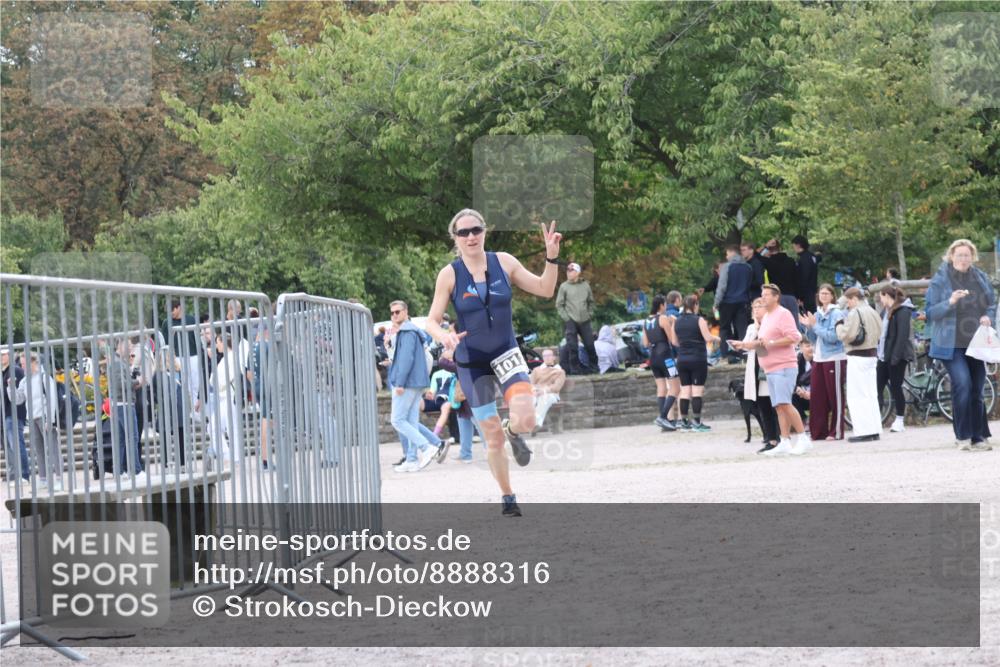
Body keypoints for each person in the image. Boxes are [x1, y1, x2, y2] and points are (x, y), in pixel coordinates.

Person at [425, 210, 562, 517]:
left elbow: (545, 288)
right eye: (463, 232)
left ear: (485, 231)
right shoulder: (449, 274)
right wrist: (444, 336)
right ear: (455, 238)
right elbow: (431, 321)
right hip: (472, 362)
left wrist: (551, 257)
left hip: (505, 352)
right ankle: (508, 495)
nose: (471, 236)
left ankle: (514, 431)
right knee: (492, 437)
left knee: (527, 420)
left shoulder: (504, 262)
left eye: (476, 230)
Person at [925, 239, 996, 451]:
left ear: (972, 257)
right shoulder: (940, 280)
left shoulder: (980, 277)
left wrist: (988, 317)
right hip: (951, 344)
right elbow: (930, 312)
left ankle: (978, 437)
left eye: (967, 255)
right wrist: (950, 302)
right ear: (951, 257)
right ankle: (963, 436)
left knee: (977, 389)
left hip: (977, 343)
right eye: (959, 255)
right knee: (963, 384)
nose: (963, 259)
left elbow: (991, 304)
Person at [730, 284, 807, 455]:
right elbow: (761, 343)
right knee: (779, 406)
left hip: (783, 366)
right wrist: (743, 344)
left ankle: (803, 438)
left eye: (766, 295)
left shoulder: (783, 314)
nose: (763, 297)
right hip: (770, 368)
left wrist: (772, 343)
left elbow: (794, 337)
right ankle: (784, 441)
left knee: (785, 404)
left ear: (776, 297)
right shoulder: (767, 317)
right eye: (762, 294)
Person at [387, 301, 442, 472]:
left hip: (408, 382)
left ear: (406, 312)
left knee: (397, 420)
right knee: (410, 421)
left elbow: (406, 360)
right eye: (392, 313)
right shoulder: (410, 331)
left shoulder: (407, 332)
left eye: (398, 312)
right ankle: (411, 459)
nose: (394, 315)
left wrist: (400, 383)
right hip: (415, 382)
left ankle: (426, 447)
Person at [835, 287, 884, 443]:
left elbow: (846, 334)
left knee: (857, 395)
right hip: (872, 354)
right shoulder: (872, 311)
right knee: (870, 394)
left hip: (857, 356)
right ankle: (874, 429)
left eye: (848, 301)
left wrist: (838, 325)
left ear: (854, 299)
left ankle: (863, 431)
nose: (847, 305)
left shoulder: (855, 312)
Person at [800, 284, 848, 441]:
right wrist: (808, 327)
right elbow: (814, 339)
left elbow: (833, 337)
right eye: (821, 293)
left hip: (834, 357)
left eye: (827, 293)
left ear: (833, 296)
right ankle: (818, 432)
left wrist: (815, 325)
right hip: (819, 357)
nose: (824, 296)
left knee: (835, 396)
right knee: (818, 396)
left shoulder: (837, 313)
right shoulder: (817, 313)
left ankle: (836, 431)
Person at [7, 352, 63, 488]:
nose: (22, 366)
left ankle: (59, 480)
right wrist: (11, 387)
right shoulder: (24, 381)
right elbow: (17, 400)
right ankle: (43, 479)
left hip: (44, 417)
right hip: (32, 418)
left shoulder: (44, 377)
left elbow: (51, 399)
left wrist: (50, 419)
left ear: (33, 362)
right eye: (21, 364)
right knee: (39, 450)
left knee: (53, 449)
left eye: (24, 363)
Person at [667, 294, 720, 432]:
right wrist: (717, 338)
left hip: (682, 359)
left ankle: (684, 422)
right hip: (697, 358)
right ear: (695, 305)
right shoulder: (699, 320)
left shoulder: (677, 321)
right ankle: (696, 422)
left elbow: (674, 342)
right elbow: (707, 337)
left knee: (685, 391)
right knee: (697, 391)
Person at [741, 298, 781, 452]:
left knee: (774, 404)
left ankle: (779, 436)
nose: (756, 310)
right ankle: (770, 438)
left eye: (759, 306)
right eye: (754, 307)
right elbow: (746, 345)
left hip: (768, 367)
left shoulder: (771, 325)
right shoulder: (751, 327)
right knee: (762, 404)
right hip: (755, 368)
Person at [876, 286, 915, 434]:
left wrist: (895, 357)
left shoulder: (903, 310)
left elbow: (902, 336)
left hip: (897, 356)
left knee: (896, 387)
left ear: (886, 295)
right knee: (877, 387)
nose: (880, 300)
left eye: (881, 296)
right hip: (883, 355)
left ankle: (899, 420)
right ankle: (876, 420)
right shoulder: (885, 311)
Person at [643, 294, 680, 431]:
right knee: (675, 387)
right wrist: (673, 323)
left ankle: (664, 421)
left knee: (661, 388)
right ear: (661, 305)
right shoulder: (663, 318)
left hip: (653, 357)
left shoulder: (646, 321)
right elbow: (672, 339)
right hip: (665, 356)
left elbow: (645, 343)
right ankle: (663, 417)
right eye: (665, 304)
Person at [556, 262, 597, 375]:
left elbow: (591, 302)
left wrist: (589, 314)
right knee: (572, 346)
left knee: (590, 345)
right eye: (568, 270)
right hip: (571, 321)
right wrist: (567, 318)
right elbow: (559, 305)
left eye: (571, 270)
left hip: (585, 320)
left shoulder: (585, 285)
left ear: (578, 272)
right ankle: (575, 370)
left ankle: (594, 368)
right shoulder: (564, 286)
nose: (568, 272)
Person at [714, 245, 753, 362]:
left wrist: (716, 303)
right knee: (742, 329)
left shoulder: (727, 267)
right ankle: (745, 355)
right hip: (743, 302)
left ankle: (725, 355)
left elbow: (722, 286)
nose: (726, 256)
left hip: (727, 302)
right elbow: (749, 285)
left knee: (724, 329)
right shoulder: (748, 267)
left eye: (727, 254)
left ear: (732, 253)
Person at [162, 299, 201, 412]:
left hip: (193, 356)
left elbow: (197, 338)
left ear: (179, 307)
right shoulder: (166, 323)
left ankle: (196, 412)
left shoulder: (191, 319)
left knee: (195, 384)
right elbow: (165, 343)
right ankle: (183, 412)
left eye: (172, 310)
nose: (170, 313)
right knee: (181, 386)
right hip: (177, 357)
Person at [1, 350, 30, 482]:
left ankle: (24, 474)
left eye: (3, 354)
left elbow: (19, 394)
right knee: (9, 446)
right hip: (4, 414)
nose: (1, 357)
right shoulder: (3, 372)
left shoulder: (15, 370)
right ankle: (14, 474)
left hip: (14, 413)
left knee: (17, 445)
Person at [530, 348, 566, 432]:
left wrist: (543, 391)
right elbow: (531, 383)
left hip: (551, 394)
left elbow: (557, 387)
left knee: (544, 398)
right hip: (536, 393)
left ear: (554, 357)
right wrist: (535, 390)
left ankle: (535, 423)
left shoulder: (560, 371)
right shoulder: (536, 370)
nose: (547, 358)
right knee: (530, 399)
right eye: (545, 356)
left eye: (549, 355)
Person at [759, 240, 799, 315]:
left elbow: (754, 254)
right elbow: (797, 279)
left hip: (777, 296)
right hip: (791, 296)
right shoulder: (791, 261)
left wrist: (765, 246)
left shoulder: (768, 262)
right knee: (793, 321)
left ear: (769, 250)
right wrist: (798, 296)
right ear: (780, 248)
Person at [792, 235, 819, 313]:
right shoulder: (812, 256)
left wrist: (800, 296)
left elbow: (804, 278)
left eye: (794, 246)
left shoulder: (804, 259)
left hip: (806, 296)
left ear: (798, 245)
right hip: (812, 292)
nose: (793, 248)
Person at [793, 340, 814, 424]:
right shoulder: (797, 361)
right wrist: (798, 389)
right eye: (808, 346)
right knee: (790, 395)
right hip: (803, 395)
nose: (811, 348)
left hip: (816, 395)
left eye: (813, 345)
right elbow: (793, 381)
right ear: (801, 348)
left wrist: (812, 393)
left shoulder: (818, 361)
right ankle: (804, 420)